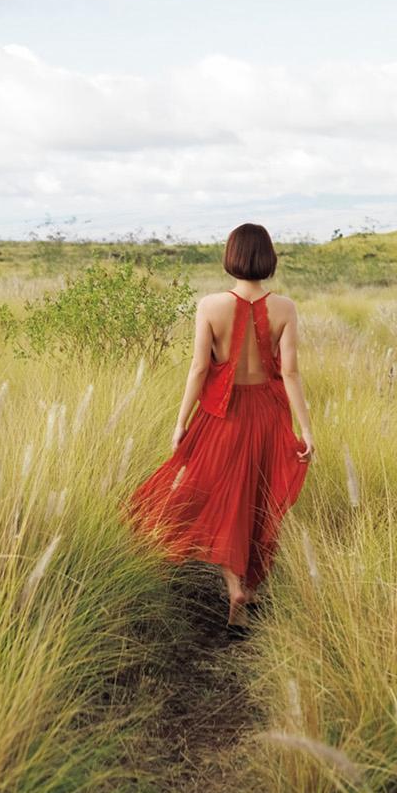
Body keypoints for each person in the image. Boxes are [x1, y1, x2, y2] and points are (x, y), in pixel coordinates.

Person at [126, 222, 315, 636]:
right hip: (268, 416)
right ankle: (248, 588)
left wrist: (181, 422)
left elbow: (199, 368)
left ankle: (235, 588)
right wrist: (306, 429)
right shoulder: (285, 308)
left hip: (221, 416)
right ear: (269, 258)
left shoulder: (210, 306)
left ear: (231, 256)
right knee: (257, 500)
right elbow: (290, 372)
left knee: (223, 498)